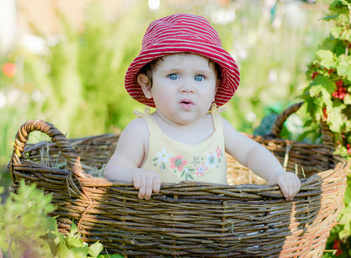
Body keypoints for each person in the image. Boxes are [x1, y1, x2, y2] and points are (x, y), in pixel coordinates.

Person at [104, 14, 301, 200]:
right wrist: (135, 175)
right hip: (159, 229)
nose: (188, 87)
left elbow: (251, 153)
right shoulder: (142, 131)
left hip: (215, 227)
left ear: (215, 87)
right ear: (147, 85)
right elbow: (113, 170)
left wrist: (276, 173)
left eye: (200, 77)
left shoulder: (217, 127)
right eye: (173, 76)